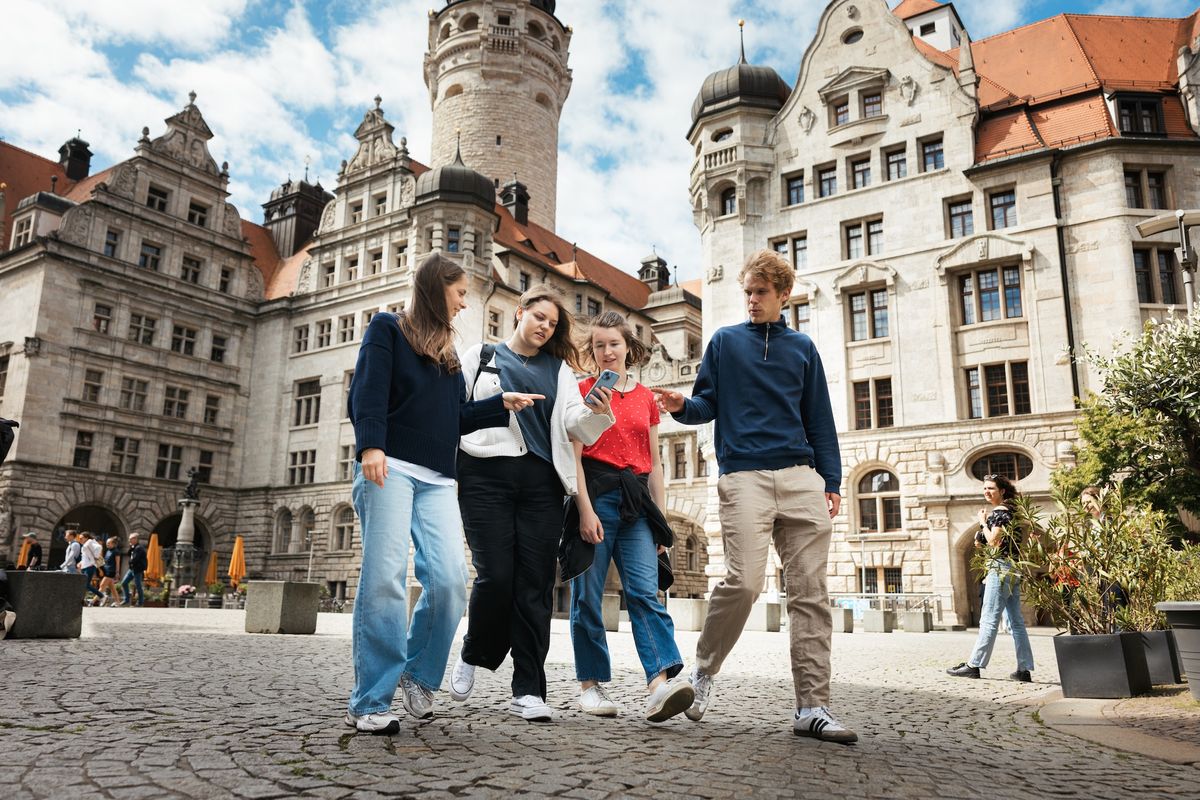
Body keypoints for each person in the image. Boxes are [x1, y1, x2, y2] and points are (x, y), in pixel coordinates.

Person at [652, 249, 857, 744]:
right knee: (743, 583)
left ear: (783, 295)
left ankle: (813, 707)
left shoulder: (803, 348)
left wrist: (830, 480)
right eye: (747, 292)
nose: (751, 300)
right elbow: (706, 403)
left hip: (801, 476)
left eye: (761, 292)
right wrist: (682, 405)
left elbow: (820, 419)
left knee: (811, 594)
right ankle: (703, 673)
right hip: (744, 475)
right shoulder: (724, 343)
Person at [344, 253, 542, 736]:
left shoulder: (451, 355)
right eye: (458, 295)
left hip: (438, 477)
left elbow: (454, 420)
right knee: (385, 580)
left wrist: (500, 405)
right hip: (388, 466)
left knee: (452, 580)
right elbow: (366, 391)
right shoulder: (387, 329)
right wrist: (372, 444)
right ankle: (371, 699)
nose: (461, 305)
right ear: (437, 289)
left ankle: (418, 674)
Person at [451, 284, 614, 723]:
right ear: (519, 312)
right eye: (540, 317)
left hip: (542, 484)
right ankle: (474, 651)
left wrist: (598, 409)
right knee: (496, 575)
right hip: (486, 476)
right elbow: (453, 413)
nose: (546, 326)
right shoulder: (480, 356)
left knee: (534, 587)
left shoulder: (559, 370)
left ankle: (528, 688)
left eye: (554, 324)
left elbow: (575, 425)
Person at [568, 311, 694, 721]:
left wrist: (662, 520)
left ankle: (659, 684)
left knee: (644, 591)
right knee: (587, 595)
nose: (607, 352)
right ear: (593, 350)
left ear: (628, 347)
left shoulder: (645, 399)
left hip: (637, 502)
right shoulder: (582, 391)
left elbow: (655, 463)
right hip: (596, 495)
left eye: (614, 344)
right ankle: (590, 685)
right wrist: (584, 510)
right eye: (599, 345)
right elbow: (575, 457)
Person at [946, 474, 1035, 682]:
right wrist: (983, 531)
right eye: (985, 488)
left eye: (991, 488)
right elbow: (989, 541)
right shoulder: (1012, 511)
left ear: (1002, 491)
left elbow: (994, 542)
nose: (987, 492)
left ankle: (974, 665)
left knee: (988, 618)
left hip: (1000, 567)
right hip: (1012, 568)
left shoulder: (1000, 512)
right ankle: (1024, 669)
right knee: (1016, 622)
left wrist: (982, 522)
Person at [120, 533, 147, 607]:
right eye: (129, 538)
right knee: (124, 583)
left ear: (136, 539)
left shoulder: (139, 548)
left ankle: (140, 602)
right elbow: (129, 554)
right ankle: (127, 599)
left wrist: (130, 562)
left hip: (137, 569)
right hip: (132, 569)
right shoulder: (134, 547)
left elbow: (135, 559)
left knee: (138, 586)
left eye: (131, 538)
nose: (129, 540)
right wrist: (131, 547)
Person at [79, 532, 104, 604]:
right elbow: (85, 557)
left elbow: (97, 552)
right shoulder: (85, 545)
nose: (80, 540)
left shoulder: (90, 544)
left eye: (81, 538)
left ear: (86, 538)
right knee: (84, 585)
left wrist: (92, 561)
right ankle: (82, 601)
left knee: (86, 584)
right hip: (85, 566)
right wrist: (80, 563)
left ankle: (101, 595)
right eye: (79, 538)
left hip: (89, 567)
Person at [97, 537, 120, 607]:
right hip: (106, 571)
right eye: (107, 543)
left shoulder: (116, 551)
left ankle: (93, 601)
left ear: (113, 544)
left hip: (111, 571)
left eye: (109, 543)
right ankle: (117, 602)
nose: (107, 544)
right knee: (112, 588)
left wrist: (117, 572)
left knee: (102, 585)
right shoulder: (108, 551)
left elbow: (117, 563)